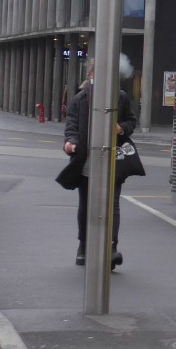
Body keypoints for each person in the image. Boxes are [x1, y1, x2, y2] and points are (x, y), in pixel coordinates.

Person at [63, 59, 137, 269]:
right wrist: (71, 144)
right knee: (86, 204)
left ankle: (111, 248)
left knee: (112, 205)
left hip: (114, 160)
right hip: (87, 161)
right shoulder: (80, 99)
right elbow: (72, 127)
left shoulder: (120, 97)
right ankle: (84, 246)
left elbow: (131, 121)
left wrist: (120, 128)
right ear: (91, 75)